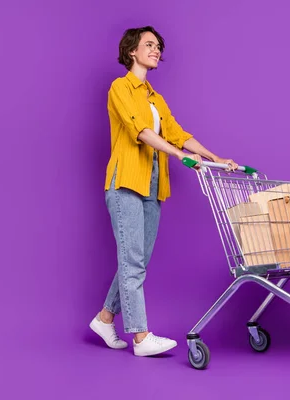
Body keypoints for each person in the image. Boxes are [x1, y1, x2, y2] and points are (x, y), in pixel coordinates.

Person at [90, 26, 239, 357]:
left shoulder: (155, 98)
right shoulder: (120, 87)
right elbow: (140, 132)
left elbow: (177, 134)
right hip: (125, 183)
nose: (156, 50)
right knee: (132, 261)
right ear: (132, 51)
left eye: (158, 46)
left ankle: (104, 319)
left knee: (136, 262)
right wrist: (182, 156)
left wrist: (214, 157)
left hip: (154, 187)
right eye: (149, 45)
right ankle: (141, 338)